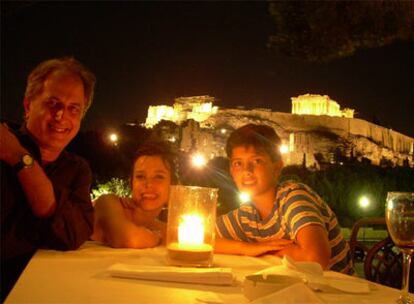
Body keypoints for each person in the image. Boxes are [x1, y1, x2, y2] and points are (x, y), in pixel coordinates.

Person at [0, 57, 96, 300]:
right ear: (28, 105)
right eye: (52, 103)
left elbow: (73, 234)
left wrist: (19, 158)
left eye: (74, 108)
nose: (61, 115)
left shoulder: (77, 169)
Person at [214, 124, 353, 274]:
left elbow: (315, 259)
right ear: (231, 171)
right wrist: (246, 248)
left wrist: (266, 250)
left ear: (277, 167)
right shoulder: (246, 215)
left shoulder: (294, 197)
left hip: (337, 292)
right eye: (238, 163)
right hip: (296, 291)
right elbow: (198, 238)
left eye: (257, 161)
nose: (246, 171)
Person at [91, 140, 177, 249]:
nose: (148, 184)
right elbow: (129, 239)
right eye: (140, 176)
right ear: (131, 182)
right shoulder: (108, 203)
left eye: (158, 177)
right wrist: (159, 237)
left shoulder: (157, 225)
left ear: (172, 185)